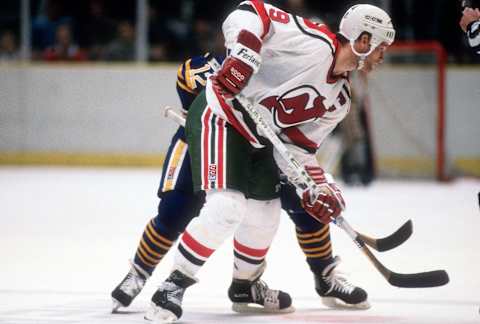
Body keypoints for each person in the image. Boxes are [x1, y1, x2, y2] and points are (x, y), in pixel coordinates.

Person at [144, 2, 394, 322]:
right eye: (380, 47)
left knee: (266, 215)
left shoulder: (340, 100)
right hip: (222, 117)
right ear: (362, 41)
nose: (382, 57)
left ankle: (245, 287)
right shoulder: (313, 42)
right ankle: (172, 286)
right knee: (226, 207)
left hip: (258, 141)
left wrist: (320, 187)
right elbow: (250, 11)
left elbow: (298, 150)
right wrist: (244, 54)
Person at [112, 52, 371, 316]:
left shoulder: (277, 69)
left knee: (304, 203)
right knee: (176, 209)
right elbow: (195, 107)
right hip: (205, 137)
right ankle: (139, 273)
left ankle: (317, 277)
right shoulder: (201, 69)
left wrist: (318, 181)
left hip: (261, 146)